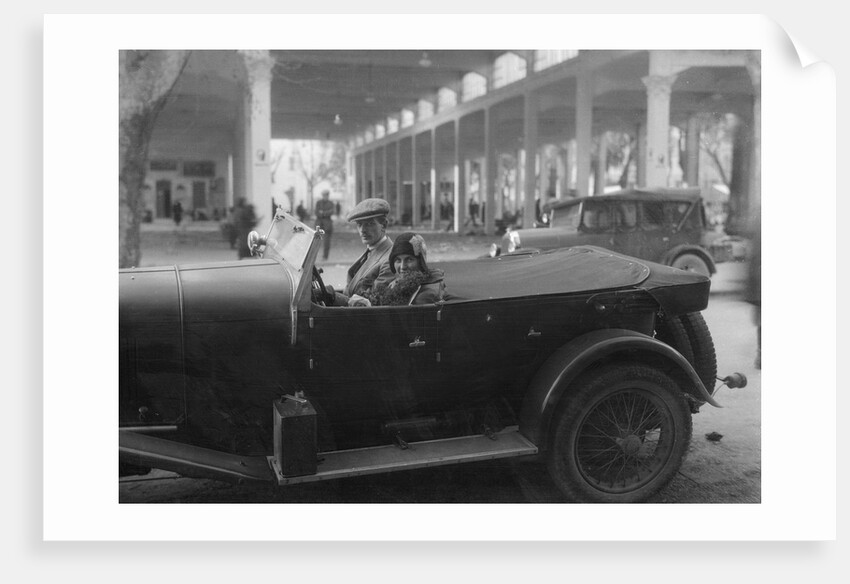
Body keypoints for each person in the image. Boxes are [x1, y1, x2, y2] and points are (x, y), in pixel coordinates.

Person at [352, 232, 449, 306]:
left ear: (421, 262)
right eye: (398, 260)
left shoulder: (425, 296)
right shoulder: (399, 284)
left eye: (409, 260)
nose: (402, 267)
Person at [330, 198, 394, 306]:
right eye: (359, 224)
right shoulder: (370, 251)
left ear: (384, 225)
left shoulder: (389, 260)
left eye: (369, 224)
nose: (363, 230)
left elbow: (370, 301)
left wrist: (333, 296)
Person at [314, 190, 336, 261]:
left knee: (327, 242)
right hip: (318, 225)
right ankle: (313, 257)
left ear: (328, 196)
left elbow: (331, 212)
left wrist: (322, 213)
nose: (325, 196)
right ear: (322, 195)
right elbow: (316, 212)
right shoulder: (318, 203)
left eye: (326, 195)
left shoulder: (331, 203)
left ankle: (325, 257)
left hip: (327, 225)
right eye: (324, 195)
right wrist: (325, 213)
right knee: (314, 242)